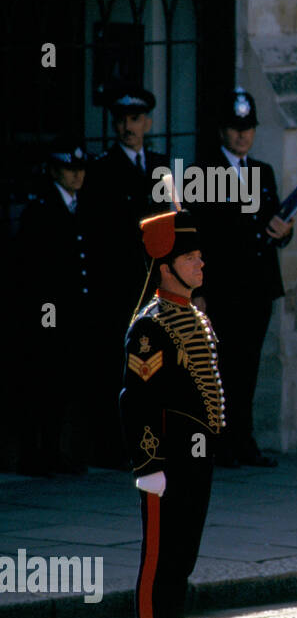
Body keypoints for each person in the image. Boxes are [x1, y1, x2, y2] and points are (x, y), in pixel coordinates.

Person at [120, 210, 225, 618]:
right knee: (159, 560)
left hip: (195, 460)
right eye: (190, 256)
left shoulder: (191, 315)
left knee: (181, 558)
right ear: (166, 265)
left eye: (200, 254)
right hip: (166, 463)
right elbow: (137, 401)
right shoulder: (152, 326)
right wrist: (149, 465)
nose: (200, 263)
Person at [189, 89, 294, 469]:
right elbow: (195, 235)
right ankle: (217, 442)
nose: (241, 136)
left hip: (257, 285)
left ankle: (244, 440)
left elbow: (273, 222)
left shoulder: (261, 171)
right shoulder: (203, 172)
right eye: (235, 129)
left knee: (248, 366)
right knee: (219, 367)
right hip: (221, 286)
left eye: (247, 129)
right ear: (222, 131)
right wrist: (197, 289)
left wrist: (285, 230)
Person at [83, 82, 172, 467]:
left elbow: (172, 222)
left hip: (152, 283)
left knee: (152, 365)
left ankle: (148, 442)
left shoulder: (159, 167)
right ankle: (111, 445)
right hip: (117, 285)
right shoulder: (102, 169)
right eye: (121, 120)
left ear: (148, 122)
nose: (127, 127)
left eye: (134, 119)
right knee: (114, 367)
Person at [14, 137, 93, 475]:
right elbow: (35, 268)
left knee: (64, 381)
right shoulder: (42, 208)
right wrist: (47, 316)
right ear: (54, 171)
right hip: (49, 309)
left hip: (73, 308)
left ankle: (56, 448)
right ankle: (37, 452)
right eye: (69, 169)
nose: (76, 176)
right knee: (43, 379)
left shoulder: (82, 206)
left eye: (80, 169)